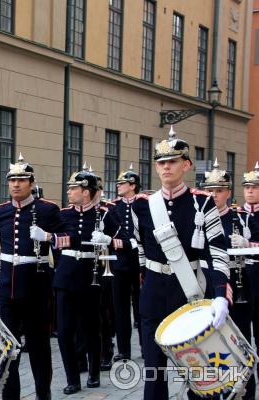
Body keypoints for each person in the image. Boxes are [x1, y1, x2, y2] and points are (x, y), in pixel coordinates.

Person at [131, 126, 230, 399]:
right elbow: (139, 248)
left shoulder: (203, 202)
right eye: (161, 162)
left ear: (186, 164)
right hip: (153, 294)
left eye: (172, 161)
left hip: (191, 295)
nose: (165, 167)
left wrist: (221, 294)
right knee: (154, 376)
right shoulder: (141, 205)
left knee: (197, 375)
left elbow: (217, 251)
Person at [0, 153, 73, 400]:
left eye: (21, 179)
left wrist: (49, 238)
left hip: (36, 288)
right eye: (12, 180)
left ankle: (42, 393)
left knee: (39, 347)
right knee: (8, 347)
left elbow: (70, 238)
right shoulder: (0, 211)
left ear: (31, 182)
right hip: (7, 288)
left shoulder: (47, 209)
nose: (16, 184)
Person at [53, 165, 132, 395]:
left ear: (85, 191)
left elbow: (127, 244)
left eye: (73, 188)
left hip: (91, 276)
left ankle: (95, 373)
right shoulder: (63, 214)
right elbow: (55, 241)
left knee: (91, 328)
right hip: (66, 277)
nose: (69, 191)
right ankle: (72, 378)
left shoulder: (104, 215)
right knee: (66, 331)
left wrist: (108, 240)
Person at [200, 159, 255, 399]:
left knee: (240, 343)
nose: (213, 195)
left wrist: (245, 245)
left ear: (228, 193)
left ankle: (245, 392)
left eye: (219, 191)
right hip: (209, 285)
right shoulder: (198, 218)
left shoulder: (239, 217)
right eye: (209, 190)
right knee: (211, 346)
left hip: (239, 285)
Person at [109, 165, 142, 361]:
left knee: (142, 308)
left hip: (140, 262)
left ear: (132, 185)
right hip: (119, 262)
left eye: (122, 183)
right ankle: (124, 350)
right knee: (120, 308)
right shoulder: (114, 207)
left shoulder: (143, 204)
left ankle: (146, 347)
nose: (118, 186)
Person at [240, 162, 259, 352]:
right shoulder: (236, 214)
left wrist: (249, 246)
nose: (250, 191)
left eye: (254, 187)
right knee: (242, 335)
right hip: (242, 282)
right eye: (247, 187)